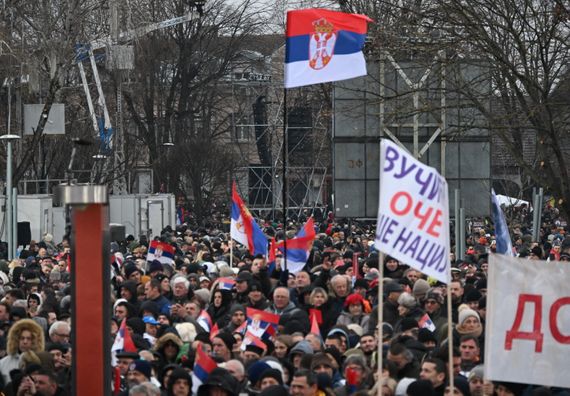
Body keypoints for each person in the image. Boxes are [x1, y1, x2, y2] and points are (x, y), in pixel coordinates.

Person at [0, 319, 45, 384]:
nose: (25, 342)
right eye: (22, 338)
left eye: (28, 338)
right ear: (16, 340)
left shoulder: (41, 361)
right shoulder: (3, 363)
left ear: (35, 340)